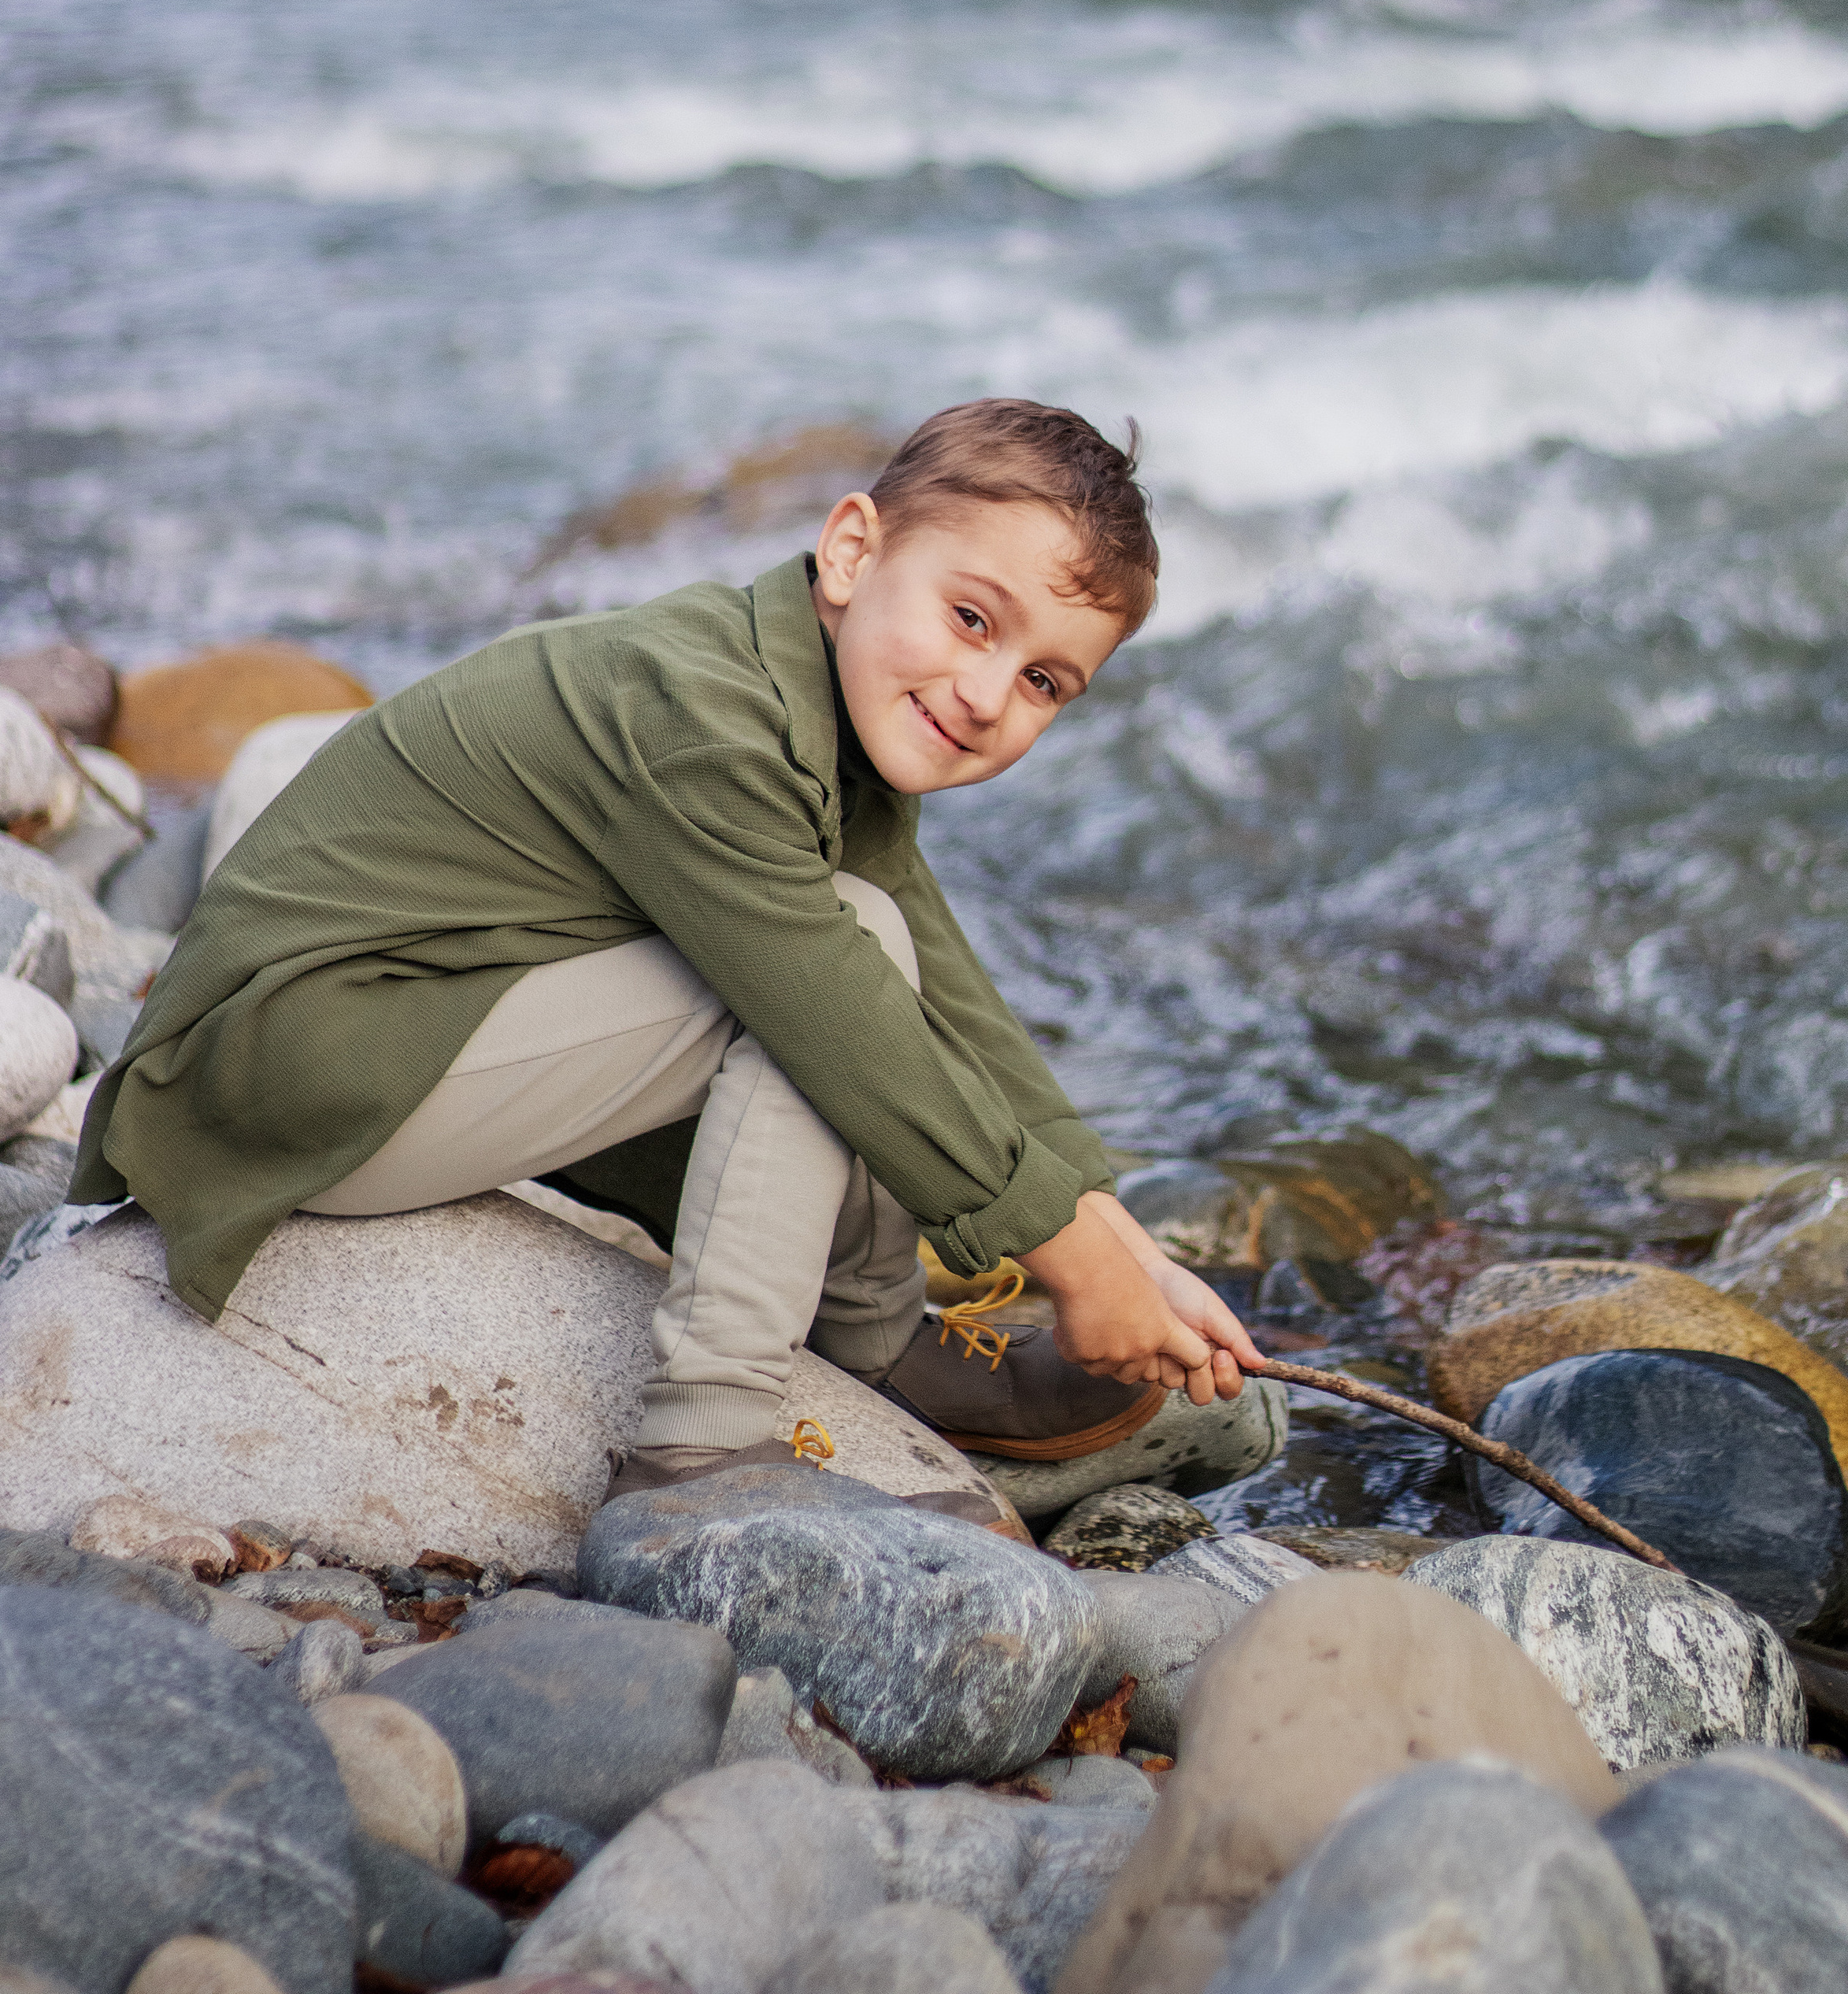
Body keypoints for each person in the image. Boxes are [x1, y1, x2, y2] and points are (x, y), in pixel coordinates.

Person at [75, 400, 1261, 1495]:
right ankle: (701, 1447)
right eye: (970, 618)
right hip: (274, 1078)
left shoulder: (814, 702)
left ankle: (881, 1343)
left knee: (875, 941)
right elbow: (841, 1017)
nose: (989, 691)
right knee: (829, 980)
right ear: (852, 551)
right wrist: (1062, 1257)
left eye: (1045, 679)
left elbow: (951, 998)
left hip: (402, 1033)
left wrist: (1121, 1242)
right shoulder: (701, 716)